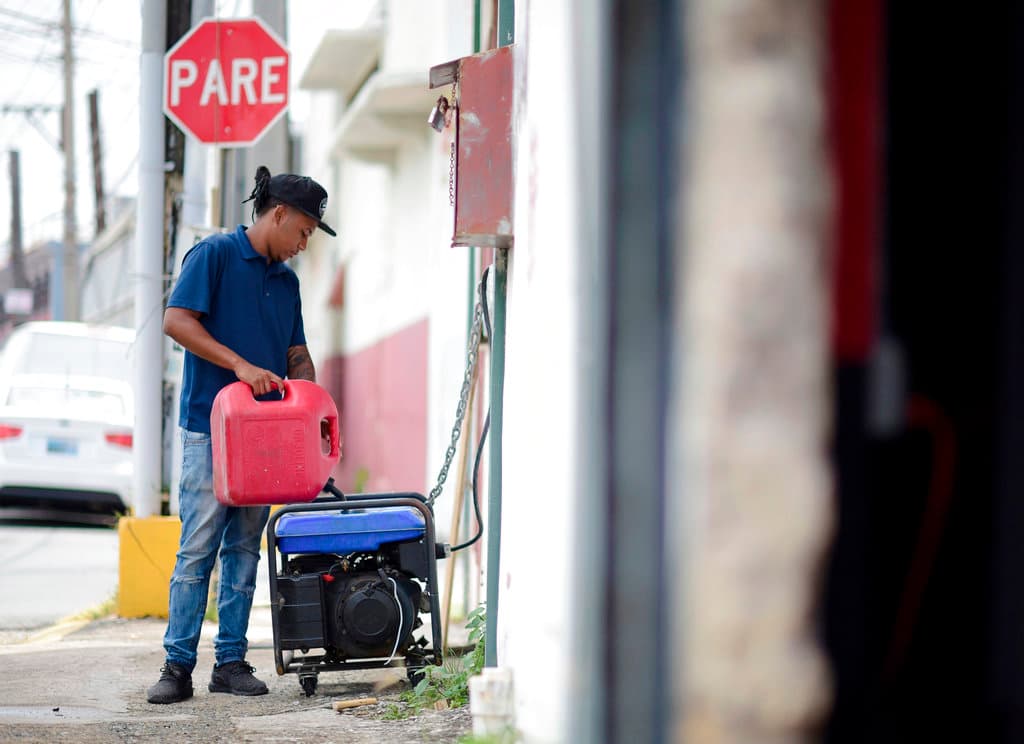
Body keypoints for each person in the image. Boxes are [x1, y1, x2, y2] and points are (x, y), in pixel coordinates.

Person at [147, 166, 336, 704]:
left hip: (266, 438)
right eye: (303, 231)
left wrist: (308, 398)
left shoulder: (288, 283)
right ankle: (176, 666)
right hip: (210, 430)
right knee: (197, 550)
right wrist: (240, 366)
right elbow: (176, 321)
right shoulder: (215, 255)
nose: (304, 244)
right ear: (279, 213)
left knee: (245, 551)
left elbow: (296, 351)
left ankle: (230, 662)